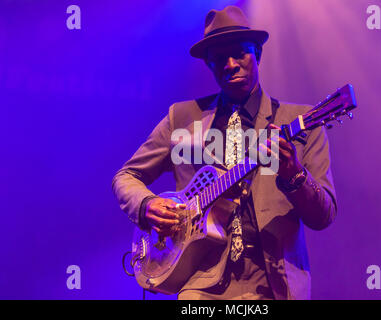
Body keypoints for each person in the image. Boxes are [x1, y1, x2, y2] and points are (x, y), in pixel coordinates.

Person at [112, 6, 337, 300]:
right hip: (200, 283)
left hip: (273, 286)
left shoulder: (299, 122)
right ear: (209, 64)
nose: (230, 64)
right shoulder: (182, 118)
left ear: (257, 53)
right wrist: (146, 205)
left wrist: (294, 175)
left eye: (239, 53)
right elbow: (126, 176)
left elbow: (324, 216)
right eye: (218, 58)